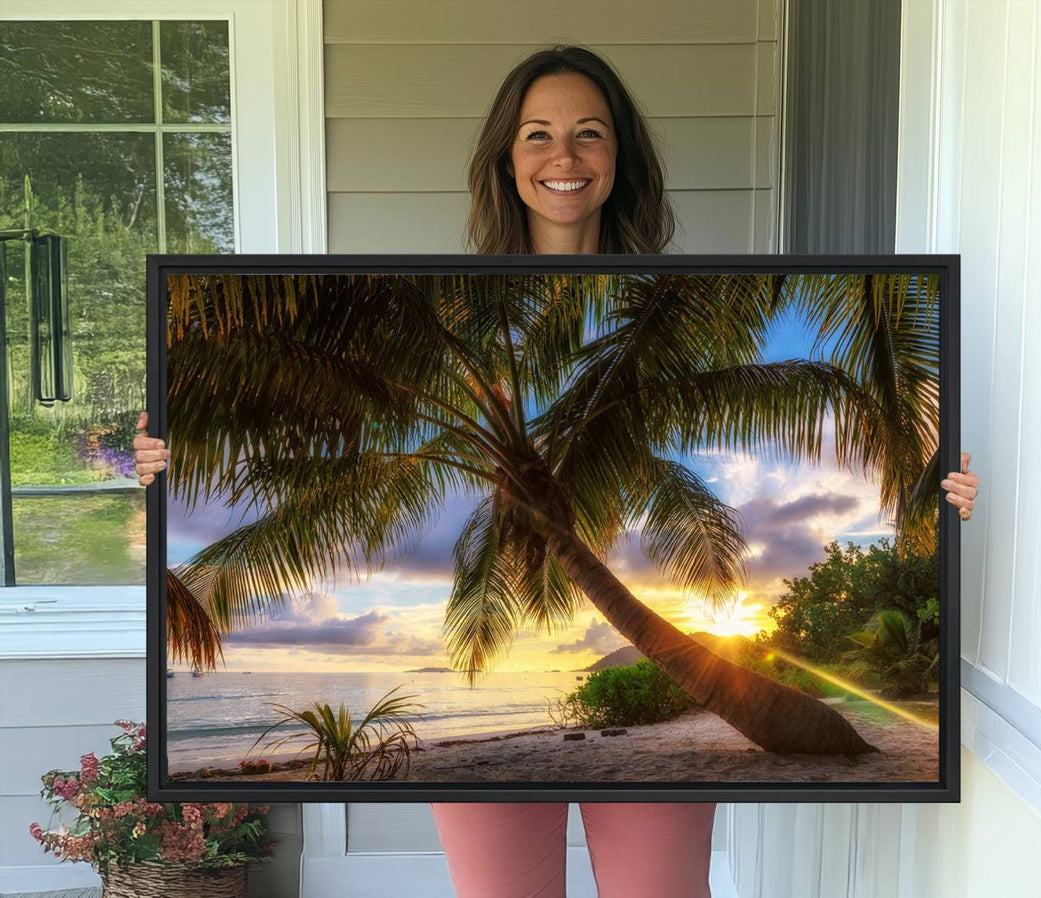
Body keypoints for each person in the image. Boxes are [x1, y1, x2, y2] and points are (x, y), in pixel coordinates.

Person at [133, 44, 980, 898]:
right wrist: (161, 463)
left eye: (589, 134)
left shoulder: (682, 296)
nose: (563, 157)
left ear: (620, 159)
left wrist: (940, 504)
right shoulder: (442, 308)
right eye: (537, 134)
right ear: (507, 158)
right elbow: (285, 425)